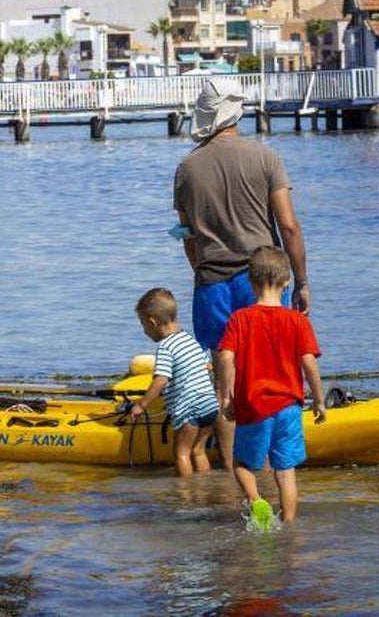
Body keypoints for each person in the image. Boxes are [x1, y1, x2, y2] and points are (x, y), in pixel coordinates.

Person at [173, 77, 310, 470]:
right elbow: (289, 228)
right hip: (263, 281)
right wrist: (300, 282)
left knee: (224, 382)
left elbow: (188, 237)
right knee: (268, 375)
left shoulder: (187, 168)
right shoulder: (266, 158)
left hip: (212, 283)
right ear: (237, 113)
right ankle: (271, 469)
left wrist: (201, 270)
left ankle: (236, 477)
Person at [217, 246, 326, 529]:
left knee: (241, 463)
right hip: (289, 407)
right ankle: (288, 528)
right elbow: (309, 364)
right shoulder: (297, 321)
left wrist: (226, 396)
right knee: (286, 472)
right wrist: (319, 399)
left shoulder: (239, 320)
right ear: (287, 281)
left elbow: (226, 358)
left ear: (251, 282)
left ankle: (256, 502)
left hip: (254, 406)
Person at [129, 288, 221, 477]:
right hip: (210, 405)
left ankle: (185, 497)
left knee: (181, 453)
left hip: (189, 409)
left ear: (153, 323)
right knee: (198, 451)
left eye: (144, 326)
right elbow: (209, 367)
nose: (145, 331)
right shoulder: (190, 340)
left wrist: (141, 405)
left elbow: (161, 380)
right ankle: (204, 488)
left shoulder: (165, 347)